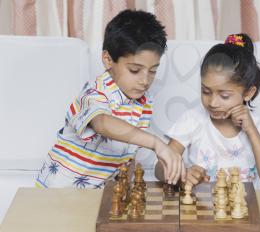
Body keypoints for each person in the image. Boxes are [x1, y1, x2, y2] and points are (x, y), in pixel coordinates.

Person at [35, 9, 185, 189]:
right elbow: (102, 124)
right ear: (107, 59)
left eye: (152, 71)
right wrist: (156, 144)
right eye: (135, 70)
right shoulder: (94, 93)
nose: (145, 80)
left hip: (97, 198)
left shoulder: (143, 102)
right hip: (58, 191)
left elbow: (128, 151)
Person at [155, 34, 260, 192]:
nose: (213, 103)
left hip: (244, 212)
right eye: (206, 91)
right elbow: (159, 169)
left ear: (248, 93)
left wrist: (251, 130)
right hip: (200, 212)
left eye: (224, 96)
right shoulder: (193, 119)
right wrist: (182, 174)